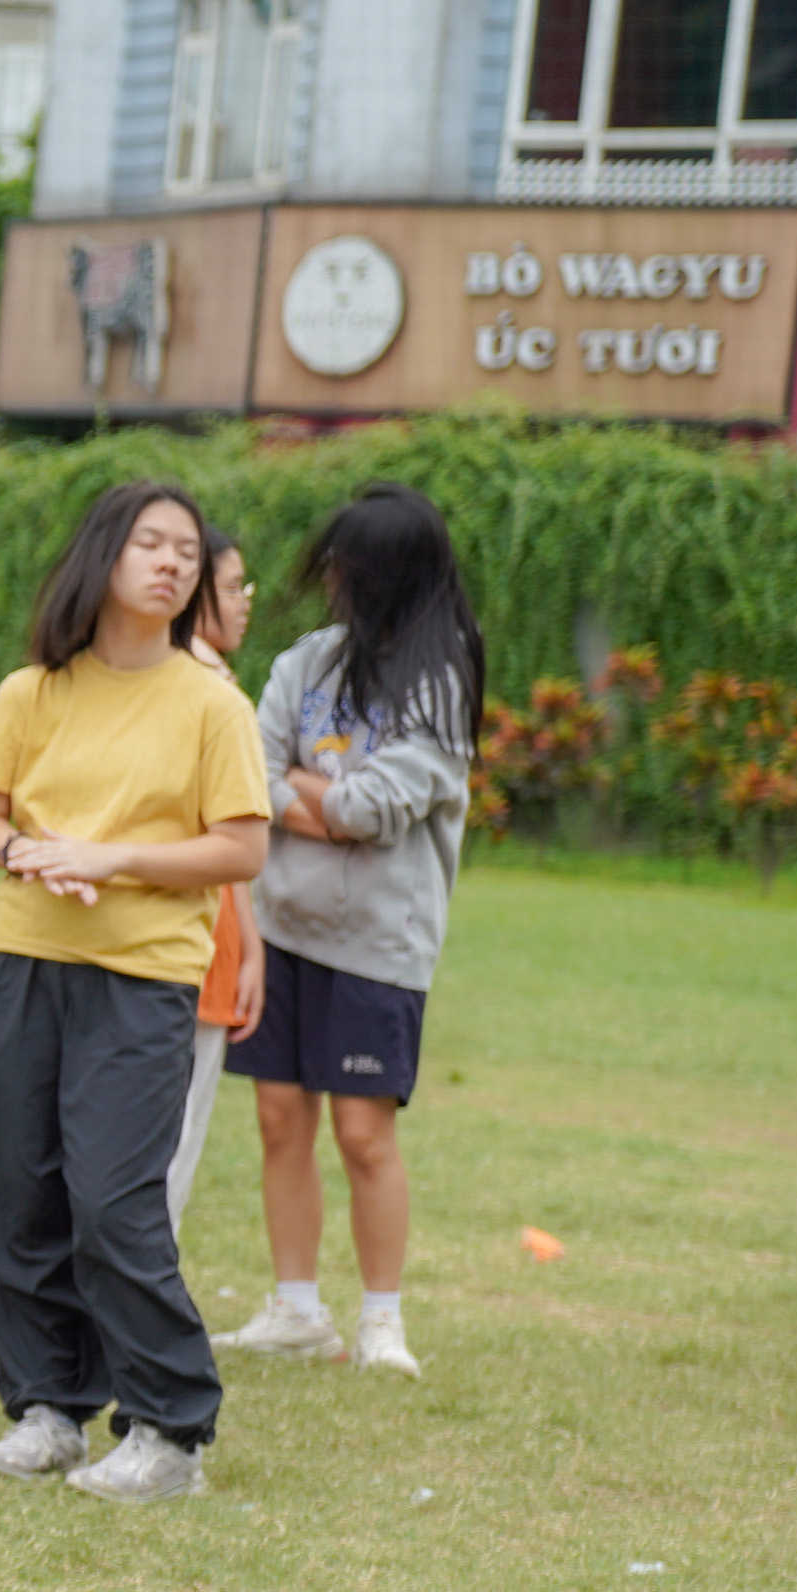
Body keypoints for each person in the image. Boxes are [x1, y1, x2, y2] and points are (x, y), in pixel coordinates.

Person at [0, 481, 273, 1501]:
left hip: (143, 977)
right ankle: (47, 1411)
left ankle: (169, 1430)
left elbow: (241, 847)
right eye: (150, 543)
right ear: (103, 554)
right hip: (21, 956)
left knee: (112, 1201)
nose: (172, 563)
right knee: (11, 1184)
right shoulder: (29, 691)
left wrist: (111, 856)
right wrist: (27, 853)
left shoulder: (211, 703)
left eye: (187, 551)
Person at [216, 486, 478, 1380]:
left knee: (364, 1135)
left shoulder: (442, 685)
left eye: (349, 564)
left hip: (379, 945)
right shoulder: (306, 661)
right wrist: (321, 805)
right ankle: (295, 1309)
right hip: (284, 929)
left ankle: (381, 1321)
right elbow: (249, 778)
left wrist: (302, 795)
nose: (332, 578)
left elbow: (373, 810)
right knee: (278, 1120)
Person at [159, 523, 267, 1236]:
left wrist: (250, 946)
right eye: (231, 587)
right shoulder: (208, 691)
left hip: (208, 936)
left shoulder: (204, 682)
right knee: (171, 1138)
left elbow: (236, 841)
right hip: (188, 939)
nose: (244, 601)